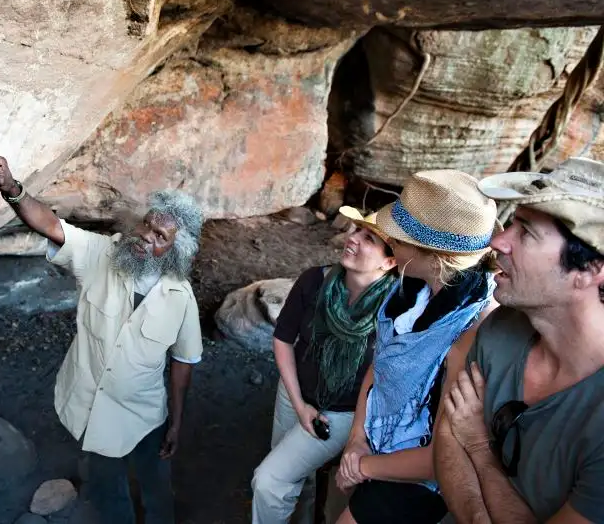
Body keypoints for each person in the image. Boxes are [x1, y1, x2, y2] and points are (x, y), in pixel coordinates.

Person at [0, 129, 204, 524]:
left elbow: (183, 363)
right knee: (109, 493)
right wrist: (12, 188)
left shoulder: (182, 298)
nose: (145, 236)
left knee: (156, 488)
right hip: (94, 409)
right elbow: (50, 224)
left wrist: (176, 421)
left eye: (159, 236)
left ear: (174, 250)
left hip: (145, 416)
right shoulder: (102, 255)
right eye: (147, 225)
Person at [436, 157, 604, 524]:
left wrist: (479, 447)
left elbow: (464, 435)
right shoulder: (501, 328)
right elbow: (449, 434)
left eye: (525, 231)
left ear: (589, 270)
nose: (498, 240)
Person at [334, 170, 501, 524]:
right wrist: (356, 440)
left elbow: (441, 455)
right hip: (379, 448)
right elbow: (379, 370)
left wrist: (359, 465)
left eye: (399, 236)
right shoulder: (413, 293)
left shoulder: (472, 330)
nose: (390, 241)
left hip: (420, 480)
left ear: (433, 255)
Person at [251, 206, 397, 524]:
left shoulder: (396, 310)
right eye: (356, 230)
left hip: (344, 413)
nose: (353, 238)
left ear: (389, 261)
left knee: (269, 480)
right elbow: (283, 340)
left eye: (368, 237)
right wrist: (299, 404)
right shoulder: (314, 281)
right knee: (291, 475)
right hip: (293, 396)